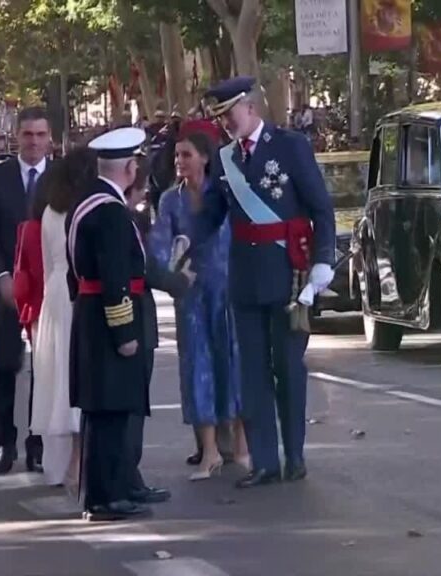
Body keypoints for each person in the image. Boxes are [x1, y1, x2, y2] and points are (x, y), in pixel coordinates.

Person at [196, 77, 335, 488]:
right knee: (252, 374)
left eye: (229, 114)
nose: (225, 123)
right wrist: (187, 234)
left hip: (289, 275)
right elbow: (213, 215)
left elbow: (321, 209)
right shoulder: (225, 160)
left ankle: (294, 456)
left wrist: (323, 261)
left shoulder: (289, 146)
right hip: (245, 278)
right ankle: (264, 461)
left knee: (288, 368)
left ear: (251, 107)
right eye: (219, 118)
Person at [150, 129, 249, 481]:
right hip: (192, 297)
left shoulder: (225, 194)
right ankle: (208, 450)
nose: (180, 161)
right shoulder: (169, 201)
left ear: (205, 158)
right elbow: (160, 247)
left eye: (186, 154)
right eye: (177, 156)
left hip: (229, 291)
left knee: (234, 363)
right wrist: (168, 274)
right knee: (198, 368)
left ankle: (240, 446)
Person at [67, 127, 151, 522]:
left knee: (100, 413)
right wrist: (125, 332)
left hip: (88, 314)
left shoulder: (84, 202)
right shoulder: (111, 212)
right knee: (112, 413)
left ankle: (101, 493)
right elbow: (116, 275)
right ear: (130, 168)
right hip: (108, 320)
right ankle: (107, 496)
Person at [0, 107, 51, 475]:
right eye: (27, 134)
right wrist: (3, 276)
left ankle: (37, 445)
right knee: (4, 366)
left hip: (50, 291)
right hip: (7, 289)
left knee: (46, 368)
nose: (34, 142)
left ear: (49, 138)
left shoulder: (62, 178)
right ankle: (5, 443)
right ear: (15, 136)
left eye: (40, 134)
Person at [122, 157, 193, 503]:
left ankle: (126, 474)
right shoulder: (119, 216)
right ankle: (126, 477)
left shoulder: (123, 214)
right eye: (143, 184)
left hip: (131, 318)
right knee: (131, 404)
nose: (147, 193)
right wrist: (179, 282)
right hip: (132, 319)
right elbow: (145, 267)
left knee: (130, 404)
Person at [28, 148, 95, 491]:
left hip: (54, 294)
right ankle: (77, 463)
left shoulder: (51, 213)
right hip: (77, 292)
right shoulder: (86, 212)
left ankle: (63, 464)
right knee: (80, 377)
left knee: (58, 378)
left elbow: (45, 261)